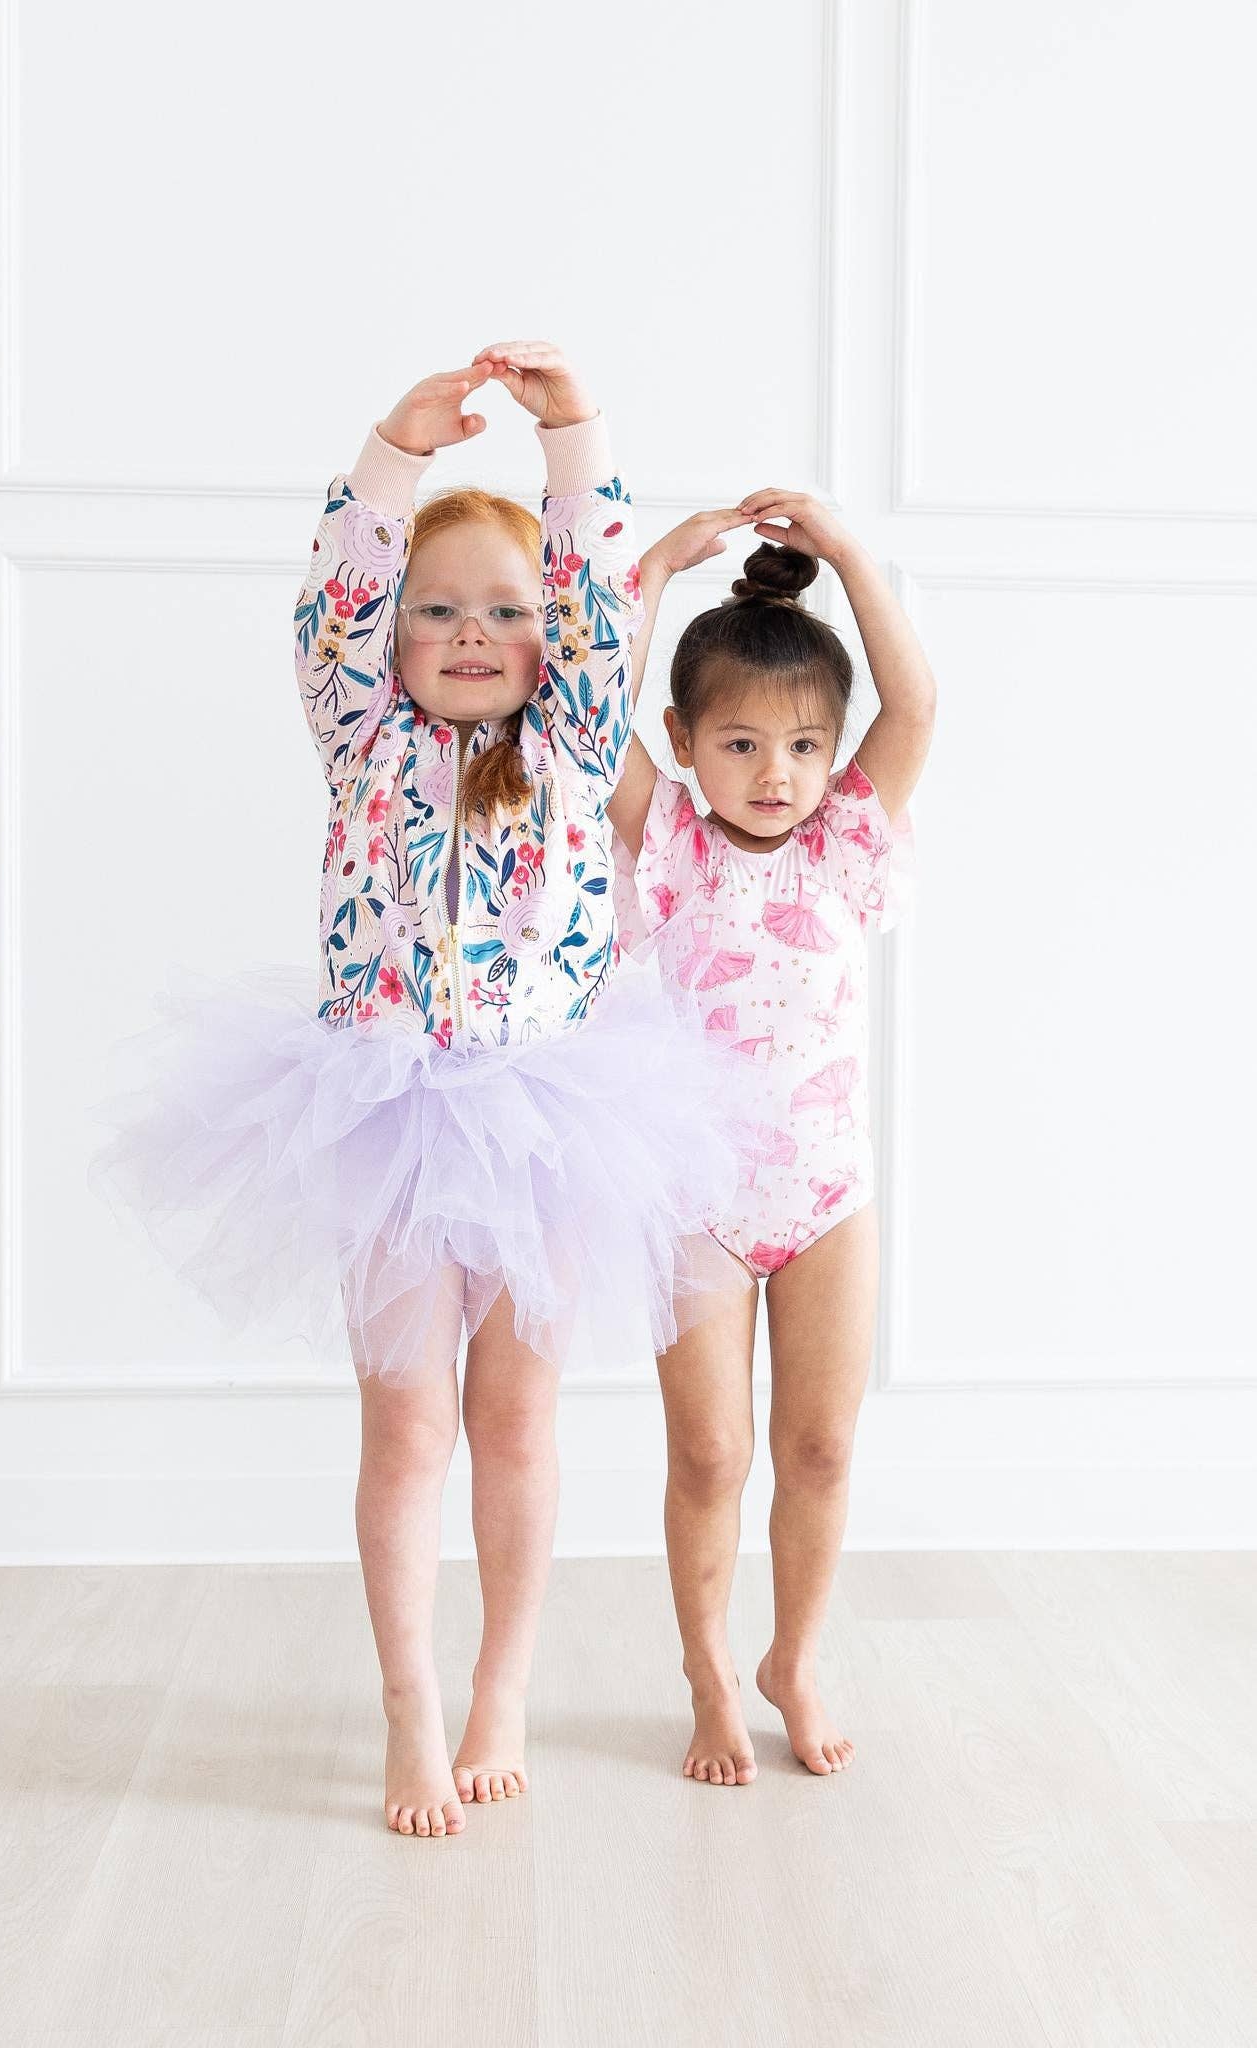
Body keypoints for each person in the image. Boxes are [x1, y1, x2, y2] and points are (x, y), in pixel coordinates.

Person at [90, 343, 748, 1838]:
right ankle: (407, 1701)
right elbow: (331, 596)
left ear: (552, 642)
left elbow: (595, 588)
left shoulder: (578, 738)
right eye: (435, 609)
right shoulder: (363, 738)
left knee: (517, 1424)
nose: (469, 633)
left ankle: (500, 1686)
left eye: (503, 614)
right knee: (405, 1429)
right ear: (389, 639)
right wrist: (391, 452)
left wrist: (571, 435)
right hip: (384, 1112)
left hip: (550, 1116)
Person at [609, 488, 934, 1785]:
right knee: (708, 1452)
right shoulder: (671, 843)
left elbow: (912, 709)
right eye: (738, 745)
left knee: (815, 1447)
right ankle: (703, 1673)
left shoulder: (848, 839)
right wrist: (647, 572)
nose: (774, 775)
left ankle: (788, 1656)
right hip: (691, 1195)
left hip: (824, 1195)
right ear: (684, 743)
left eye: (801, 747)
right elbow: (584, 715)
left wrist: (848, 554)